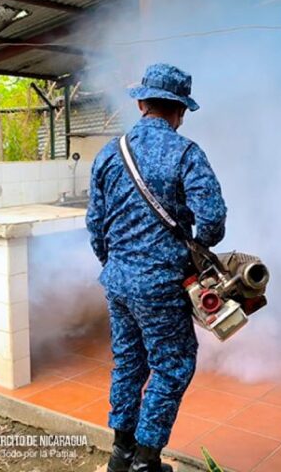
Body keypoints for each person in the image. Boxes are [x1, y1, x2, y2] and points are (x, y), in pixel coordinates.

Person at [86, 63, 227, 472]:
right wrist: (198, 247)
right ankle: (146, 462)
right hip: (163, 285)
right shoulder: (186, 153)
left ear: (142, 103)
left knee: (128, 361)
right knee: (173, 364)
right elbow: (213, 221)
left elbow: (95, 224)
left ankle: (120, 455)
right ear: (180, 111)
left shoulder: (109, 153)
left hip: (116, 280)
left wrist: (115, 265)